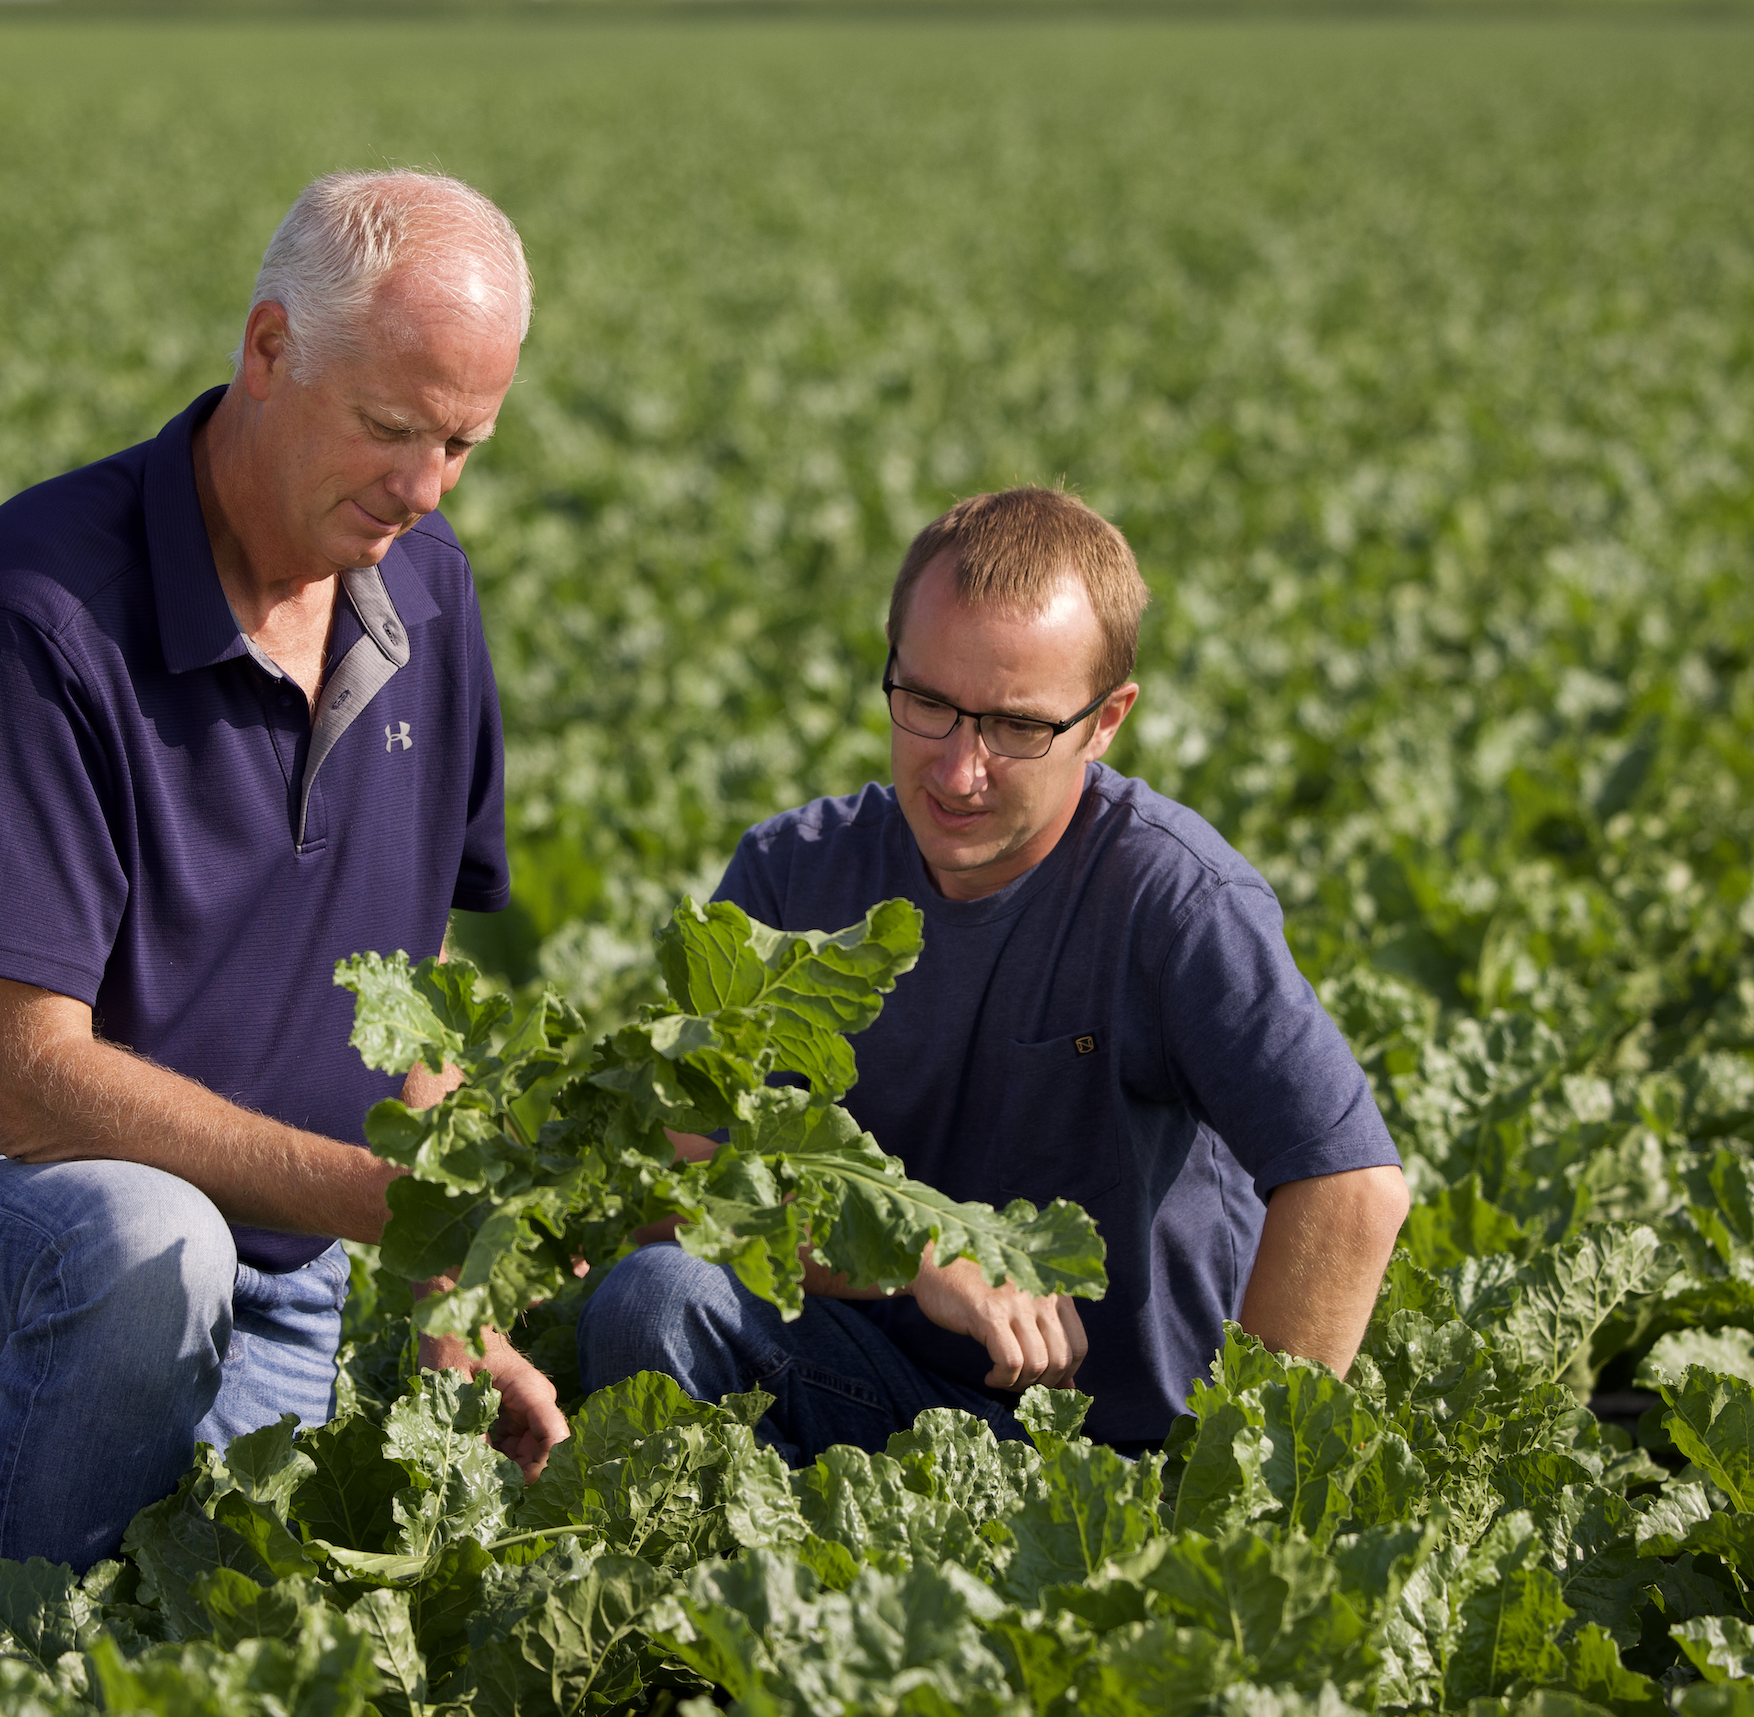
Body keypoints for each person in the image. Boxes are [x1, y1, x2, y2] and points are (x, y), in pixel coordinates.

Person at [0, 170, 569, 1579]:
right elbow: (30, 1086)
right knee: (149, 1248)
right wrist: (372, 1204)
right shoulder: (41, 606)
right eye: (391, 429)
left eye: (463, 443)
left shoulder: (430, 593)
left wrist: (449, 1283)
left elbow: (414, 999)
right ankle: (10, 1662)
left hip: (285, 1272)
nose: (423, 490)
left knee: (218, 1639)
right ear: (269, 351)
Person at [580, 487, 1411, 1456]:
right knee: (653, 1302)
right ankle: (701, 1591)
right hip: (866, 1388)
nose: (959, 770)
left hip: (1107, 1458)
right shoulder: (792, 873)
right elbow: (669, 1189)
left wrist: (1240, 1493)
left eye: (1018, 727)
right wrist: (908, 1252)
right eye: (927, 703)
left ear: (1106, 721)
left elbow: (1351, 1185)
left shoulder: (1176, 900)